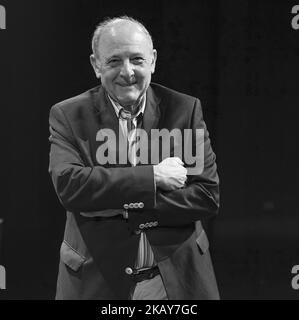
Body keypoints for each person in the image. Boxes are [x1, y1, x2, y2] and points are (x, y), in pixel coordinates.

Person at [49, 16, 220, 300]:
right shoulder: (68, 115)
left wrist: (122, 206)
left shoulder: (185, 110)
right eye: (114, 61)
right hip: (98, 283)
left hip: (174, 283)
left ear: (152, 60)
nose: (127, 72)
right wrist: (153, 177)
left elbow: (205, 195)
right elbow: (70, 186)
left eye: (137, 59)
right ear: (96, 65)